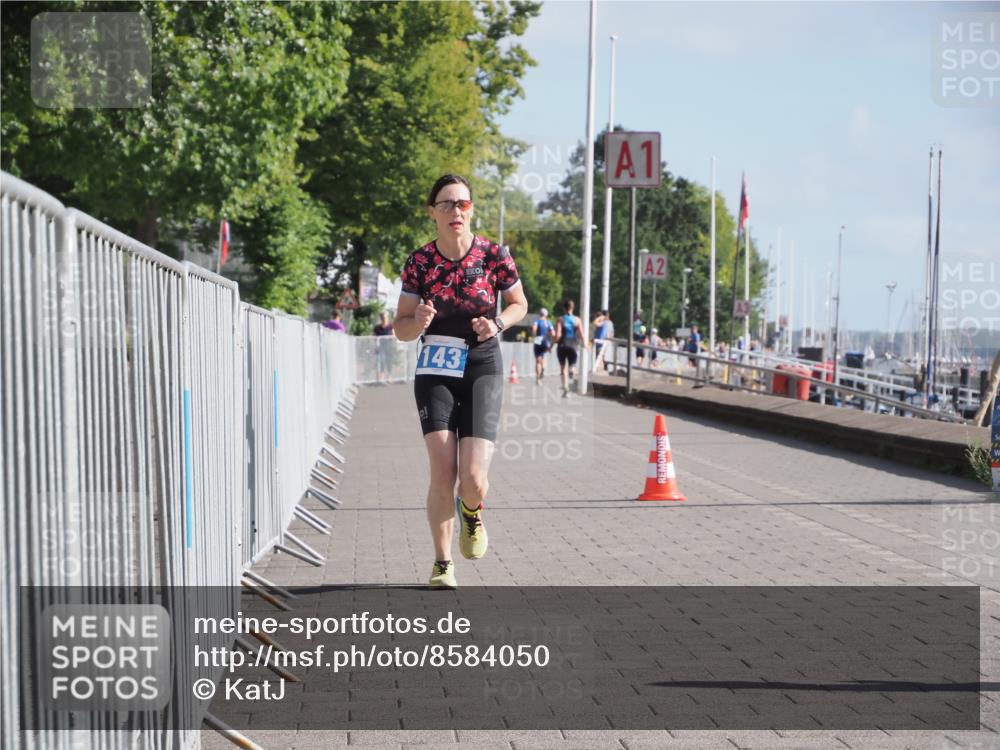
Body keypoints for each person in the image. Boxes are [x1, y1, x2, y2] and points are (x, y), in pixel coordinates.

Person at [393, 174, 528, 589]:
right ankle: (442, 563)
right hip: (436, 367)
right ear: (432, 212)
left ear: (472, 209)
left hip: (482, 364)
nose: (457, 212)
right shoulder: (419, 262)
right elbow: (400, 328)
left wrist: (498, 323)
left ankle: (472, 511)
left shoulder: (493, 255)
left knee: (472, 478)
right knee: (442, 469)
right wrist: (415, 321)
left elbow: (520, 303)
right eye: (448, 204)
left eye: (464, 204)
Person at [555, 299, 587, 398]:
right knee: (572, 364)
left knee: (562, 369)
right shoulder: (577, 320)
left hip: (562, 344)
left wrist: (553, 341)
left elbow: (558, 335)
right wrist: (585, 344)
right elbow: (581, 334)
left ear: (564, 308)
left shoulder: (560, 319)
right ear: (573, 308)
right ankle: (572, 370)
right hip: (573, 344)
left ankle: (566, 389)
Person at [531, 308, 555, 384]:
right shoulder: (548, 322)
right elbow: (553, 333)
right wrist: (550, 339)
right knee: (543, 357)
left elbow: (534, 330)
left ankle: (538, 379)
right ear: (546, 315)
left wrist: (534, 334)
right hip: (545, 341)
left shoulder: (537, 321)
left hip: (538, 340)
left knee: (538, 360)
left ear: (539, 314)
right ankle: (543, 368)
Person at [373, 311, 394, 383]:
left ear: (387, 317)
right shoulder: (377, 327)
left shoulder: (391, 326)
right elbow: (374, 337)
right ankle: (381, 377)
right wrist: (375, 346)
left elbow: (394, 336)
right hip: (380, 347)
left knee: (389, 361)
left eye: (385, 317)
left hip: (389, 347)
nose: (383, 319)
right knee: (381, 361)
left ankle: (389, 377)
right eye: (382, 317)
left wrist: (391, 338)